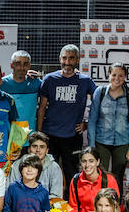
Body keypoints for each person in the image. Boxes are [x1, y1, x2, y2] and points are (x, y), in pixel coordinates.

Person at [37, 44, 97, 197]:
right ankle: (48, 207)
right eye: (64, 58)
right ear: (60, 59)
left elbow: (98, 105)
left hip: (72, 136)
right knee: (48, 174)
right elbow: (42, 107)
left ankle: (72, 207)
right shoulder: (50, 79)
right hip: (51, 135)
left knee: (72, 175)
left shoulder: (85, 81)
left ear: (77, 60)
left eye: (71, 58)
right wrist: (39, 133)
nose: (67, 62)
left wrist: (87, 124)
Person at [87, 62, 129, 190]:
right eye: (114, 74)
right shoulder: (100, 92)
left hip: (122, 142)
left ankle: (117, 206)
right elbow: (92, 120)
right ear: (109, 75)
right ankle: (100, 204)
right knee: (100, 175)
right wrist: (92, 144)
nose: (117, 78)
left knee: (118, 177)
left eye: (121, 75)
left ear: (125, 76)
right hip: (101, 140)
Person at [8, 131, 64, 199]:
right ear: (29, 149)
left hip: (46, 206)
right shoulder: (17, 165)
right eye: (34, 146)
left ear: (47, 150)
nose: (38, 150)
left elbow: (56, 196)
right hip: (20, 204)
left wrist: (35, 201)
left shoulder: (54, 167)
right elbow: (10, 192)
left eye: (42, 147)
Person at [68, 147, 119, 212]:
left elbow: (115, 206)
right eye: (84, 161)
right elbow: (73, 206)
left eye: (91, 161)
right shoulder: (76, 180)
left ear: (97, 162)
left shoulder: (109, 180)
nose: (87, 165)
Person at [0, 50, 42, 131]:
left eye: (25, 64)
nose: (22, 68)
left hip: (30, 135)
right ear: (12, 65)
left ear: (29, 66)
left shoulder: (36, 83)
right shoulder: (1, 84)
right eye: (18, 64)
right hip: (8, 134)